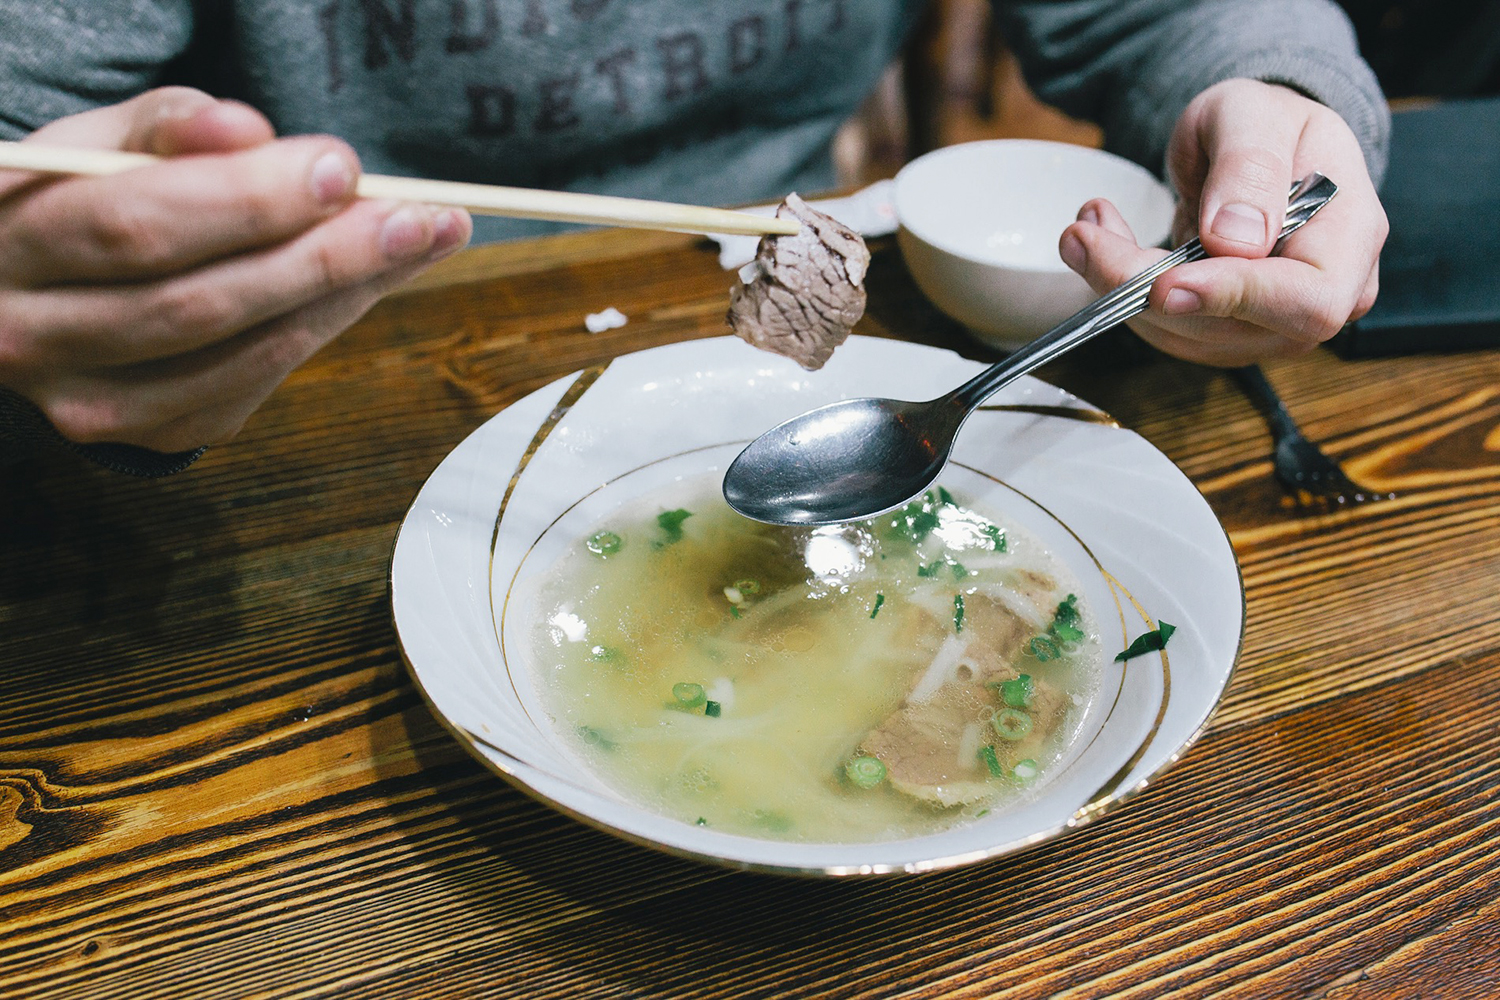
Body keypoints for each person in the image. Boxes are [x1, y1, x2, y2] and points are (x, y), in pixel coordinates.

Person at [0, 0, 1389, 473]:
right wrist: (61, 256)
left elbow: (1171, 15)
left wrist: (1269, 98)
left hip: (796, 297)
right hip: (310, 368)